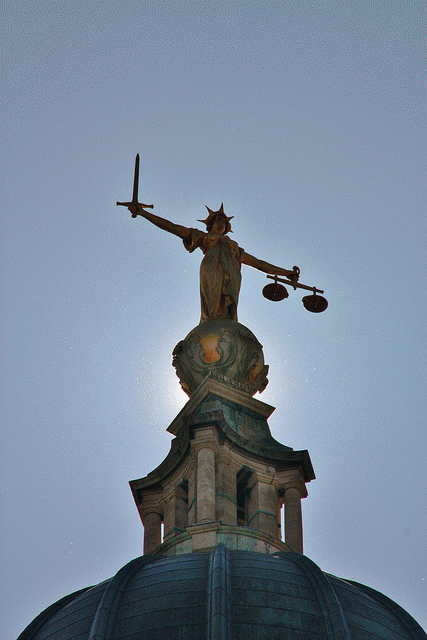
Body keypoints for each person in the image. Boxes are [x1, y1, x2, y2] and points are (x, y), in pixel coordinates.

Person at [127, 202, 299, 323]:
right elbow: (172, 227)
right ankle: (210, 323)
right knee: (212, 308)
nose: (221, 223)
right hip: (212, 271)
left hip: (232, 275)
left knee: (227, 311)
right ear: (209, 225)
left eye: (224, 222)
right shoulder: (203, 238)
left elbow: (259, 264)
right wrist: (143, 213)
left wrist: (287, 273)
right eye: (218, 220)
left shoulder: (234, 248)